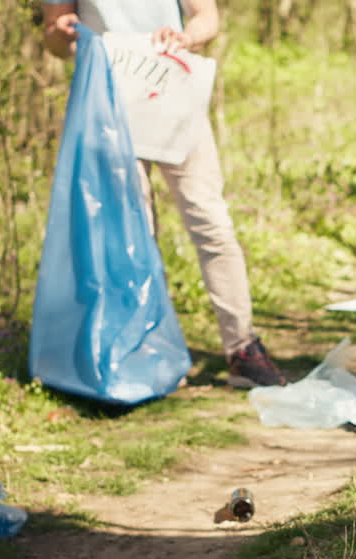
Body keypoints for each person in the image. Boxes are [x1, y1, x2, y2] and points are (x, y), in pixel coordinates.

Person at [42, 0, 288, 389]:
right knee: (133, 233)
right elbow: (56, 39)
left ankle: (243, 349)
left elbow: (207, 17)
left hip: (173, 93)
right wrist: (61, 34)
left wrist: (186, 36)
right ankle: (145, 350)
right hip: (107, 106)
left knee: (210, 220)